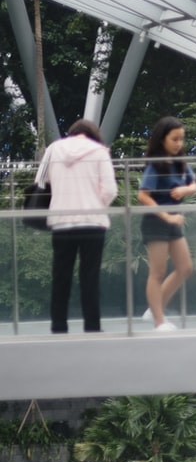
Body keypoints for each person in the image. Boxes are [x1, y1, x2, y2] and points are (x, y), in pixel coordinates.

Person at [35, 115, 115, 335]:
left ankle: (58, 327)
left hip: (62, 221)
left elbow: (41, 182)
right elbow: (110, 190)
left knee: (61, 277)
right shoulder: (99, 151)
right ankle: (92, 327)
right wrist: (95, 202)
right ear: (93, 136)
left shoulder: (54, 149)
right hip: (92, 222)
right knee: (90, 277)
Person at [138, 117, 196, 332]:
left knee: (185, 267)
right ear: (162, 139)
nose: (178, 143)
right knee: (158, 271)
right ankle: (158, 320)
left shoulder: (180, 162)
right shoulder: (156, 164)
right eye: (174, 139)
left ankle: (155, 309)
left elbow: (193, 183)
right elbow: (143, 196)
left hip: (173, 221)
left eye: (181, 139)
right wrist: (167, 216)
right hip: (156, 221)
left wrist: (185, 190)